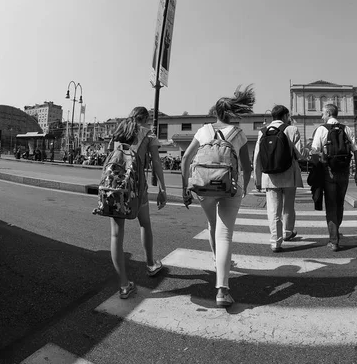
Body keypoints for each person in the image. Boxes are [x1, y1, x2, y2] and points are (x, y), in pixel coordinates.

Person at [181, 85, 254, 307]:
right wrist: (245, 185)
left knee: (212, 224)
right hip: (229, 187)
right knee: (225, 234)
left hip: (203, 186)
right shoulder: (238, 133)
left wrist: (185, 187)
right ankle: (222, 290)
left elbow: (185, 159)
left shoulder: (203, 131)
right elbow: (247, 166)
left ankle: (215, 260)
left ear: (215, 112)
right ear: (231, 113)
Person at [109, 106, 168, 299]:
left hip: (116, 186)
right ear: (144, 119)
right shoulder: (148, 134)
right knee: (145, 224)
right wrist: (162, 187)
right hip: (136, 186)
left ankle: (124, 286)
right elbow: (157, 162)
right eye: (149, 119)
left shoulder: (119, 131)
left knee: (116, 235)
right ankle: (151, 264)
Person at [310, 103, 357, 251]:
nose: (321, 116)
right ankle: (336, 232)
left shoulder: (321, 129)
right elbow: (356, 150)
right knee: (339, 204)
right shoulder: (347, 128)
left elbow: (314, 152)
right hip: (344, 172)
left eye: (323, 113)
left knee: (331, 205)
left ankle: (334, 241)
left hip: (329, 172)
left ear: (328, 113)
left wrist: (316, 167)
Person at [254, 104, 303, 253]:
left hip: (269, 177)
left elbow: (257, 157)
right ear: (285, 116)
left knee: (273, 210)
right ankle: (288, 233)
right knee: (288, 206)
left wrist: (257, 179)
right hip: (289, 175)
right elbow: (299, 154)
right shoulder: (292, 129)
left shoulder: (262, 132)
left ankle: (275, 242)